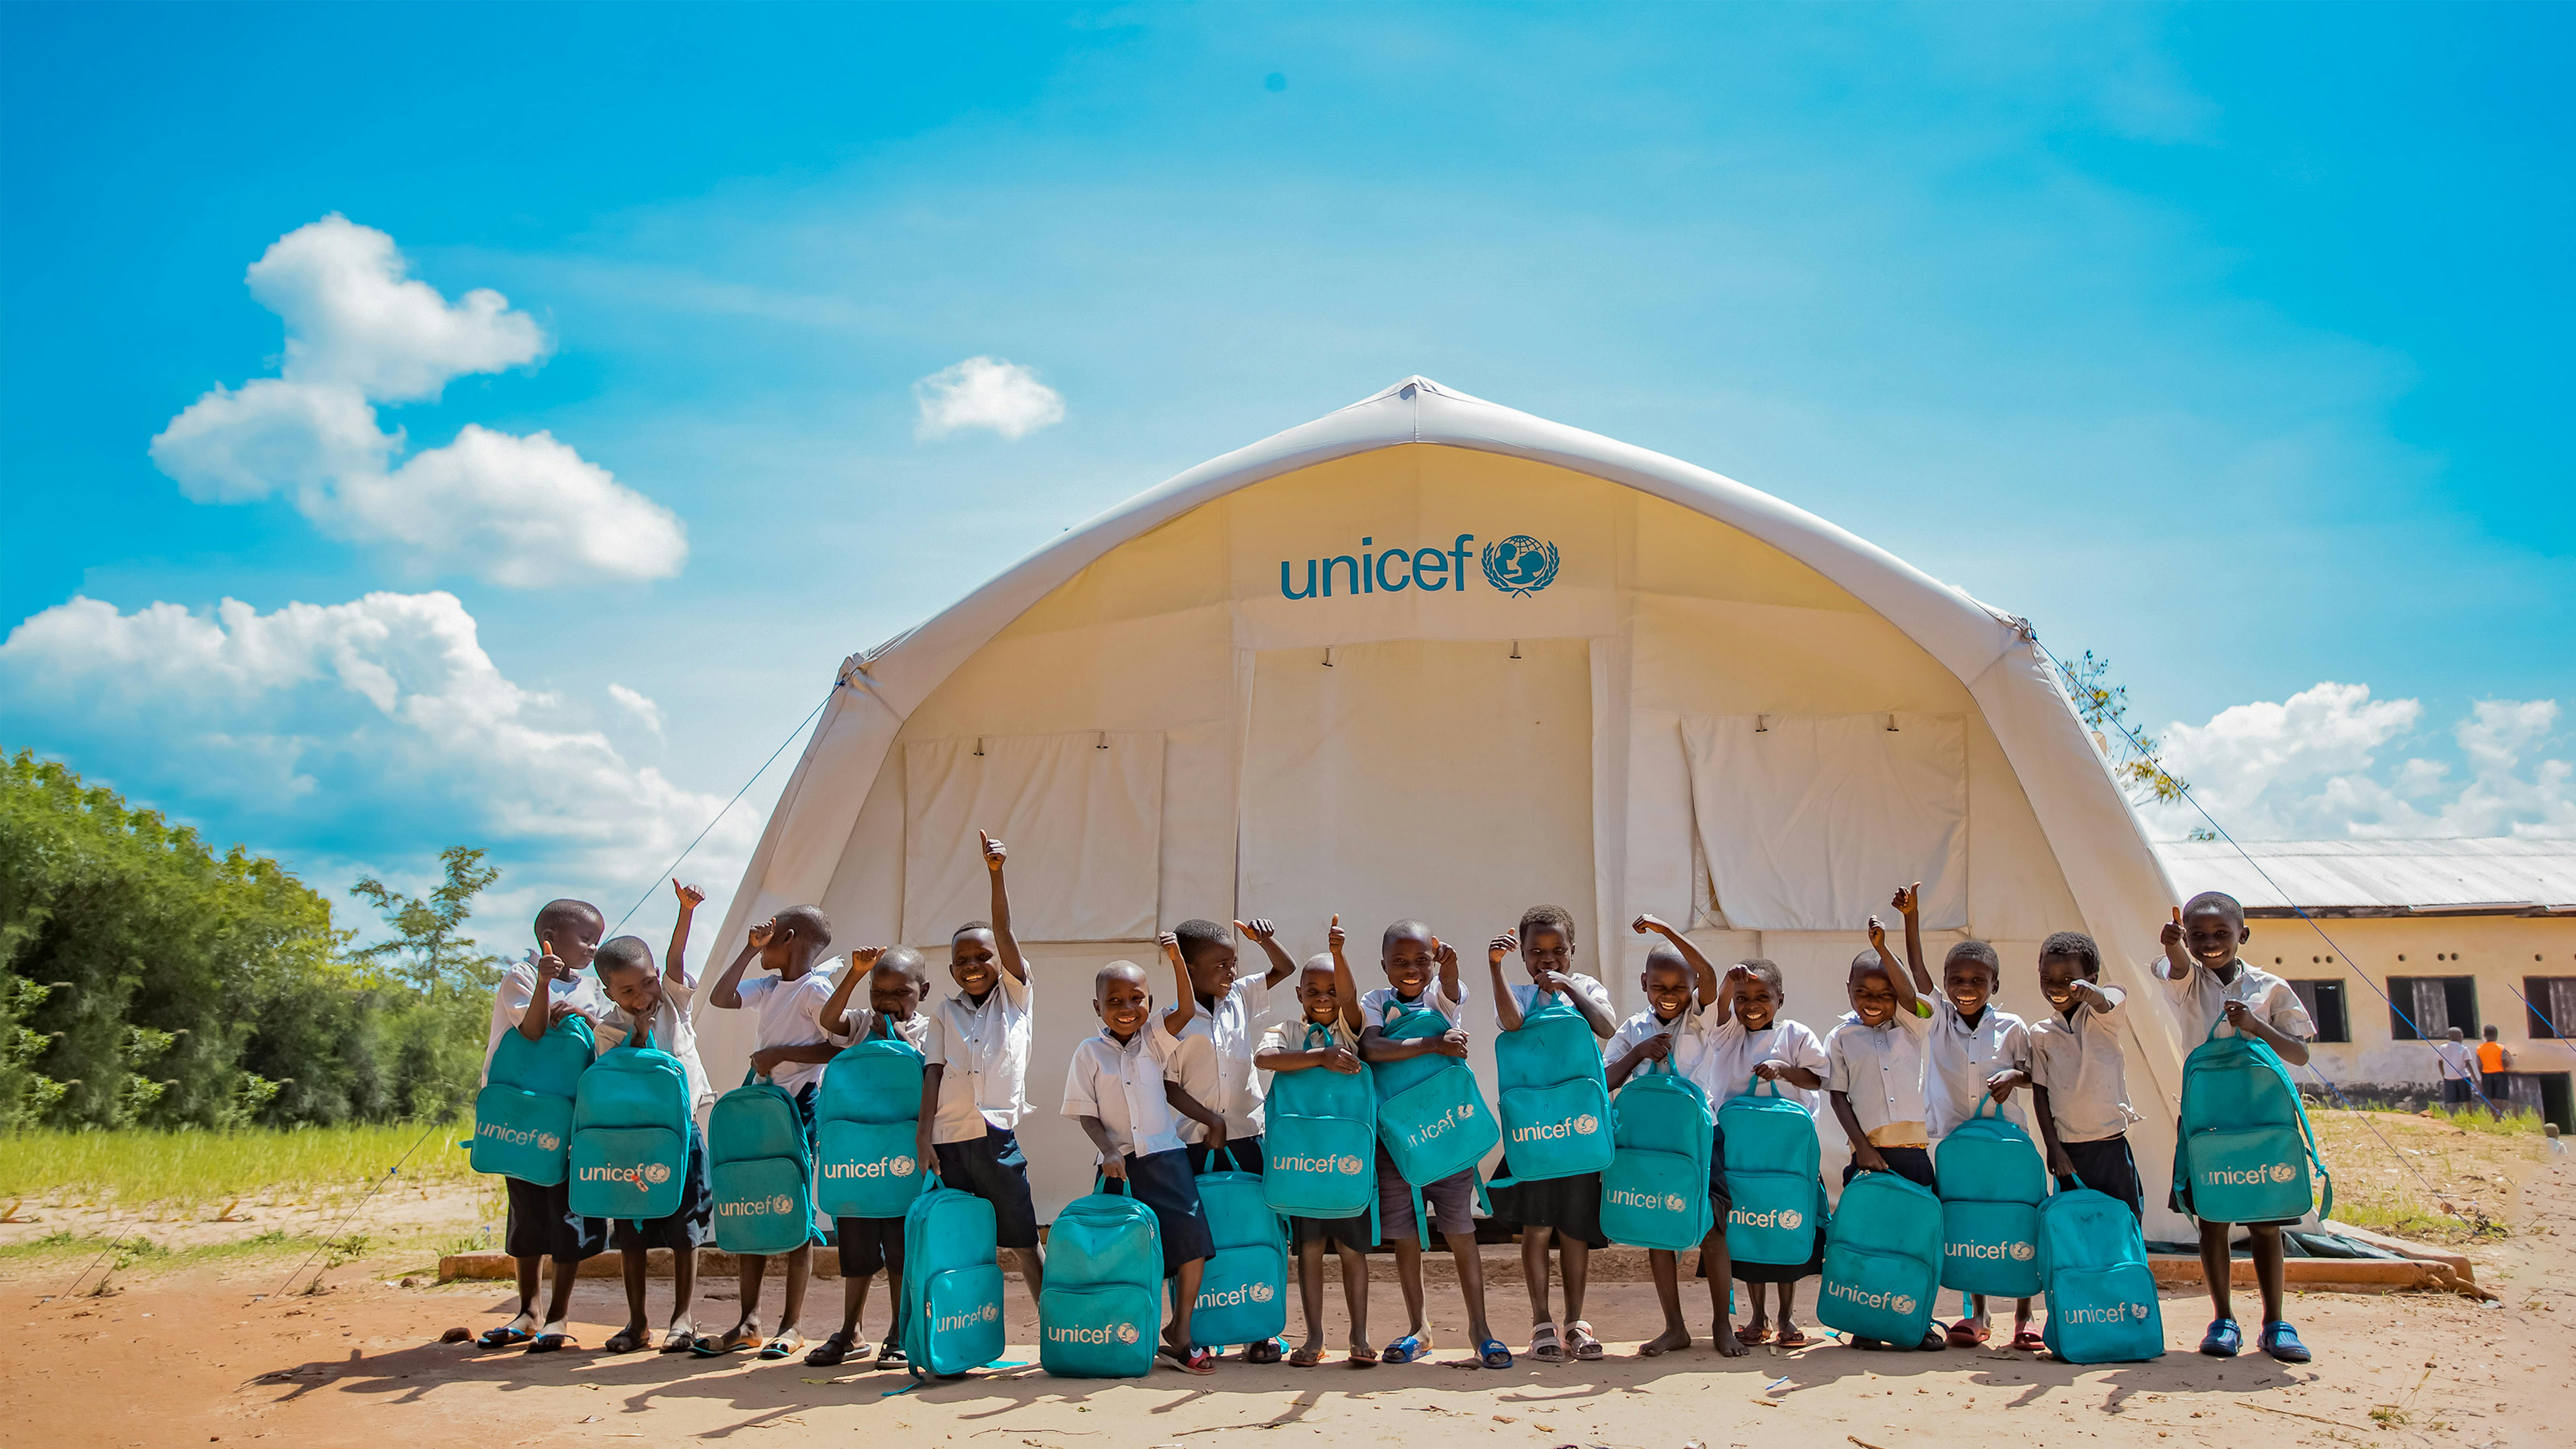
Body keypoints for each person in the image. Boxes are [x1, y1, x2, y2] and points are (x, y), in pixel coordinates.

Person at [2158, 893, 2318, 1365]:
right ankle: (2223, 1319)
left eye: (2221, 935)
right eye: (2198, 936)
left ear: (2242, 936)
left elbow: (2300, 1054)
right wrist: (2172, 948)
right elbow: (2177, 968)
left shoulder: (2270, 989)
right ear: (2186, 938)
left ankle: (2275, 1323)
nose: (2210, 944)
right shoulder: (2187, 983)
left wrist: (2256, 1025)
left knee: (2267, 1222)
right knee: (2213, 1220)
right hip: (2208, 1120)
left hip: (2261, 1117)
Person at [1886, 884, 2040, 1350]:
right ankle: (1978, 1312)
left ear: (1995, 985)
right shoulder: (1938, 1020)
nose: (1966, 988)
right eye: (1958, 980)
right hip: (1957, 1141)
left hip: (2009, 1144)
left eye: (1978, 981)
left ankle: (2026, 1315)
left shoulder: (2013, 1027)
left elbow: (2036, 1076)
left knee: (2016, 1221)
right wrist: (1911, 919)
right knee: (1971, 1222)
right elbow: (1917, 973)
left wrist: (2016, 1075)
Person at [1354, 918, 1508, 1369]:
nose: (1410, 969)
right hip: (1398, 1139)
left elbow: (1452, 989)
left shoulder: (1441, 998)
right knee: (1404, 1234)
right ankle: (1419, 1328)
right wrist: (1433, 1045)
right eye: (1399, 961)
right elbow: (1372, 1050)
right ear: (1382, 964)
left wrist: (1452, 966)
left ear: (1434, 959)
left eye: (1422, 960)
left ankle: (1480, 1329)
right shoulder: (1375, 1002)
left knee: (1460, 1230)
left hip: (1447, 1134)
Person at [697, 902, 844, 1360]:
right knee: (752, 1199)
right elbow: (721, 998)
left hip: (797, 1106)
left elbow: (838, 1047)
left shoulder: (815, 990)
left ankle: (792, 1325)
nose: (763, 937)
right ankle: (748, 1322)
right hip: (762, 1106)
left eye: (771, 932)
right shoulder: (770, 985)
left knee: (794, 1207)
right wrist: (747, 949)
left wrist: (780, 1052)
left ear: (791, 937)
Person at [1065, 958, 1222, 1375]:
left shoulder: (1154, 1040)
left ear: (1149, 1003)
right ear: (1097, 1007)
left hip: (1167, 1159)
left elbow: (1186, 1011)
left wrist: (1176, 961)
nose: (1127, 1007)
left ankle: (1181, 1333)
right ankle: (1121, 1334)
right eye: (1114, 1000)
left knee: (1193, 1244)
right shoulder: (1089, 1053)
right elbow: (1086, 1114)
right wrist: (1109, 1151)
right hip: (1119, 1169)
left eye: (1137, 999)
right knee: (1121, 1255)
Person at [476, 898, 611, 1352]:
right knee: (527, 1212)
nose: (593, 947)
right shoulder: (523, 975)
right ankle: (528, 1311)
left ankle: (559, 1316)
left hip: (572, 1118)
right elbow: (531, 1031)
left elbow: (604, 1042)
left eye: (597, 938)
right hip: (526, 1116)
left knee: (567, 1215)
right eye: (586, 938)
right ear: (550, 937)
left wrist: (584, 1016)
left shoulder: (593, 989)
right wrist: (546, 986)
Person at [1485, 904, 1617, 1364]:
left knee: (1575, 1231)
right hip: (1537, 1132)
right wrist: (1495, 969)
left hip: (1578, 1132)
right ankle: (1542, 1321)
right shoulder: (1518, 992)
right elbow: (1513, 1024)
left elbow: (1606, 1027)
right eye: (1537, 952)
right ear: (1523, 955)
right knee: (1537, 1228)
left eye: (1558, 951)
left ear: (1572, 952)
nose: (1548, 960)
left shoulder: (1588, 988)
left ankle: (1575, 1323)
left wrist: (1571, 988)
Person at [592, 883, 719, 1354]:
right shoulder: (608, 1030)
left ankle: (682, 1318)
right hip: (633, 1142)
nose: (642, 994)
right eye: (628, 990)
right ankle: (637, 1322)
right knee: (631, 1233)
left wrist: (684, 913)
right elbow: (618, 1076)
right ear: (609, 992)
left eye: (646, 982)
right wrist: (639, 1034)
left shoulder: (672, 1003)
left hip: (681, 1135)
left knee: (686, 1230)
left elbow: (676, 963)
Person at [919, 830, 1044, 1304]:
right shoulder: (944, 1014)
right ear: (952, 971)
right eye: (962, 960)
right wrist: (923, 1137)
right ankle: (965, 1332)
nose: (973, 965)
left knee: (1023, 1240)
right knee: (965, 1245)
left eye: (982, 956)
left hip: (996, 1138)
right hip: (949, 1143)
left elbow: (1005, 931)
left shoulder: (1015, 999)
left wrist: (997, 875)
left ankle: (1054, 1327)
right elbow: (932, 1072)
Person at [1617, 914, 1745, 1358]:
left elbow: (1710, 975)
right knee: (1659, 1230)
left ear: (1692, 988)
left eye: (1679, 988)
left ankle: (1722, 1325)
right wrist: (1639, 1052)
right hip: (1652, 1146)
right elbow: (1605, 1078)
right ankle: (1675, 1328)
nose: (1668, 996)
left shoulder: (1700, 1022)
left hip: (1701, 1140)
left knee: (1713, 1230)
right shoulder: (1633, 1029)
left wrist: (1667, 932)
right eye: (1659, 987)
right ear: (1644, 983)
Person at [805, 945, 932, 1368]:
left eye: (901, 992)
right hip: (858, 1160)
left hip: (901, 1161)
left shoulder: (930, 1032)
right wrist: (856, 976)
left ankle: (899, 1331)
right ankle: (850, 1330)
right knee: (856, 1251)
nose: (888, 1001)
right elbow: (828, 1022)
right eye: (880, 991)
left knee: (899, 1250)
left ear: (923, 992)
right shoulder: (860, 1024)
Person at [1824, 911, 1944, 1352]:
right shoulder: (1841, 1038)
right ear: (1849, 992)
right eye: (1863, 992)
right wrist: (1861, 1148)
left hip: (1912, 1156)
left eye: (1884, 993)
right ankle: (1868, 1321)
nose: (1873, 1001)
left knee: (1914, 1242)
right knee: (1870, 1241)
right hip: (1870, 1158)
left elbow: (1914, 993)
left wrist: (1882, 948)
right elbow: (1838, 1096)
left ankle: (1919, 1320)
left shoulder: (1913, 1027)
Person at [1252, 944, 1375, 1369]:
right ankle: (1316, 1336)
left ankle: (1359, 1335)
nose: (1324, 998)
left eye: (1332, 990)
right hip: (1302, 1163)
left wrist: (1341, 954)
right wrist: (1319, 1057)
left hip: (1346, 1162)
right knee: (1308, 1251)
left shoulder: (1351, 1028)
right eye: (1314, 991)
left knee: (1352, 1251)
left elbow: (1353, 1001)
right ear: (1299, 995)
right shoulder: (1287, 1032)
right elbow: (1264, 1058)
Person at [1702, 956, 1828, 1348]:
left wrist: (1782, 1070)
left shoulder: (1797, 1035)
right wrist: (1726, 983)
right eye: (1743, 998)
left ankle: (1787, 1318)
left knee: (1785, 1230)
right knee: (1750, 1231)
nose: (1751, 1006)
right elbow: (1718, 1008)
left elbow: (1818, 1078)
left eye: (1763, 997)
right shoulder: (1727, 1034)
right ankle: (1757, 1317)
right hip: (1741, 1154)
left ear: (1780, 999)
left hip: (1788, 1155)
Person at [2027, 930, 2145, 1226]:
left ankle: (2126, 1274)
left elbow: (2109, 998)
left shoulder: (2104, 1018)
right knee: (2077, 1228)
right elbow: (2041, 1093)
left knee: (2123, 1223)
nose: (2057, 987)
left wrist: (2087, 993)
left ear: (2091, 978)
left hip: (2111, 1147)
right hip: (2069, 1152)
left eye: (2068, 980)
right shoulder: (2041, 1033)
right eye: (2047, 978)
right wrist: (2053, 1149)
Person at [2432, 1026, 2481, 1113]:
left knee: (2452, 1101)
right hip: (2463, 1077)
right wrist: (2476, 1080)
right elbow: (2468, 1065)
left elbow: (2440, 1063)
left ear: (2449, 1037)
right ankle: (2470, 1116)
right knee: (2467, 1100)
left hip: (2449, 1078)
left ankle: (2452, 1117)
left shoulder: (2443, 1048)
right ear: (2460, 1037)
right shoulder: (2464, 1049)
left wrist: (2444, 1075)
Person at [2477, 1027, 2513, 1120]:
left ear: (2484, 1036)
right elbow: (2505, 1061)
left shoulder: (2480, 1049)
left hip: (2486, 1074)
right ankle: (2499, 1116)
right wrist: (2506, 1069)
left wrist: (2482, 1075)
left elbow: (2479, 1065)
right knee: (2499, 1096)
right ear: (2496, 1035)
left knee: (2490, 1096)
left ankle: (2494, 1117)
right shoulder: (2501, 1048)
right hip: (2500, 1074)